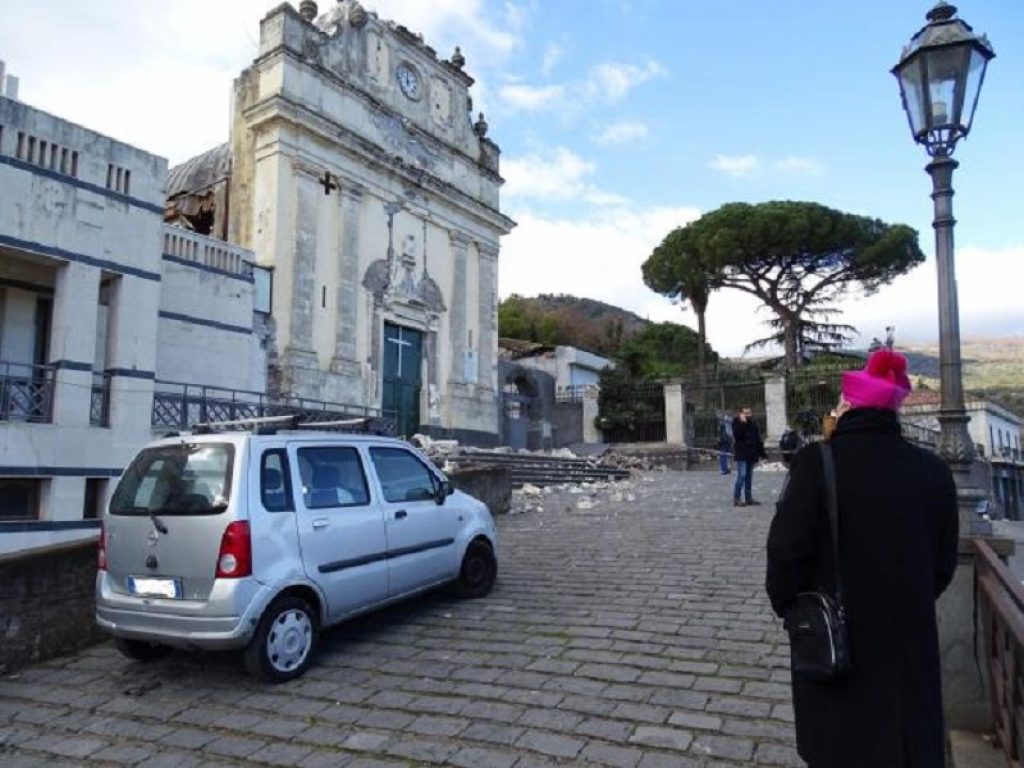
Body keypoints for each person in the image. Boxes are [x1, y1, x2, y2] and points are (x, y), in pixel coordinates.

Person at [765, 349, 958, 768]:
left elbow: (785, 553)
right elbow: (943, 566)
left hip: (840, 647)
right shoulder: (933, 470)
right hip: (910, 648)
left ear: (848, 406)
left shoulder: (818, 462)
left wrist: (792, 609)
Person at [731, 407, 765, 506]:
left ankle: (748, 498)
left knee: (749, 477)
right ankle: (737, 498)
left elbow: (758, 440)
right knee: (742, 475)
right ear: (740, 413)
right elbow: (738, 436)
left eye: (749, 412)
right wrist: (743, 423)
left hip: (752, 453)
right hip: (742, 453)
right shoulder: (736, 423)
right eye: (745, 413)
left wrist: (762, 453)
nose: (748, 414)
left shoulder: (753, 424)